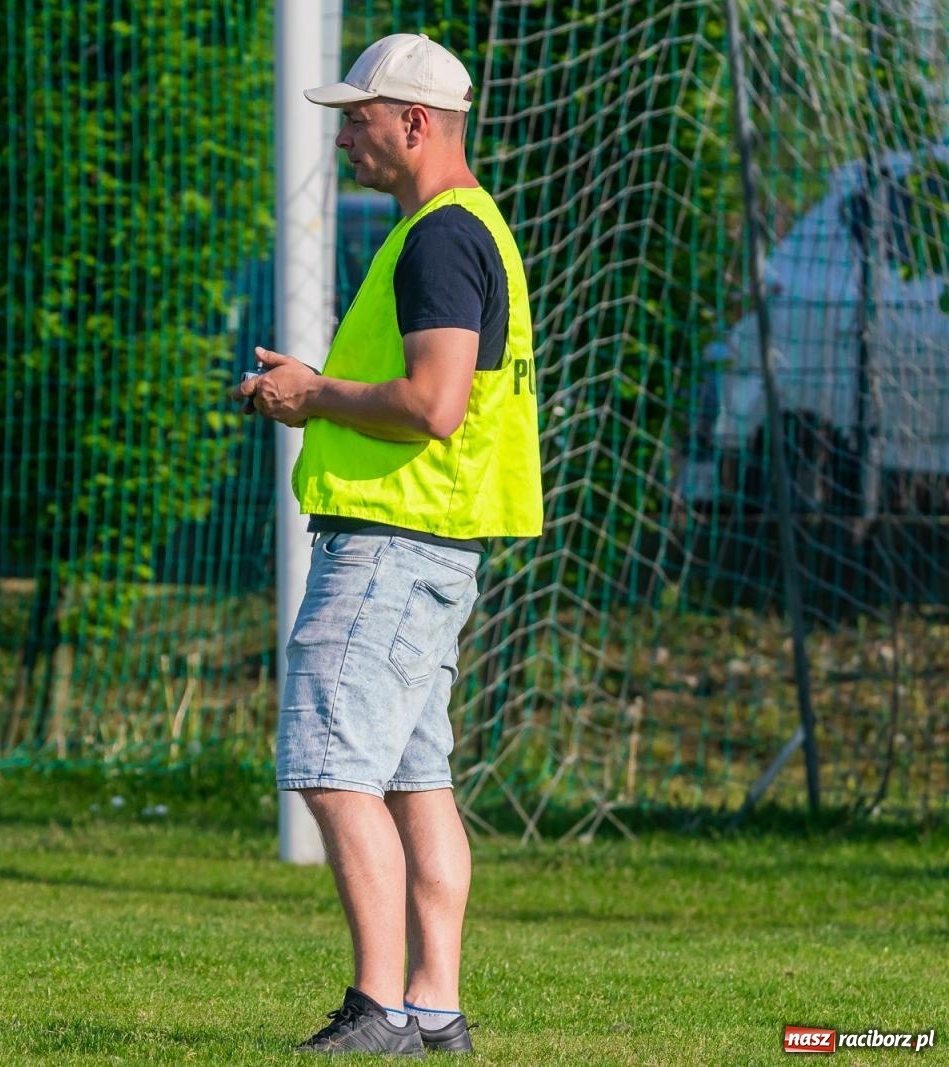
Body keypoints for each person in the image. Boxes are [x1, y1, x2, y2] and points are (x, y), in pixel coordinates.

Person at [233, 32, 542, 1057]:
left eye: (357, 119)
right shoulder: (465, 228)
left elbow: (431, 403)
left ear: (414, 122)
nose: (346, 139)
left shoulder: (441, 237)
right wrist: (317, 387)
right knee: (415, 780)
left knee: (329, 767)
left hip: (390, 545)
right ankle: (435, 1006)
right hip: (433, 546)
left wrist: (313, 392)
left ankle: (379, 1009)